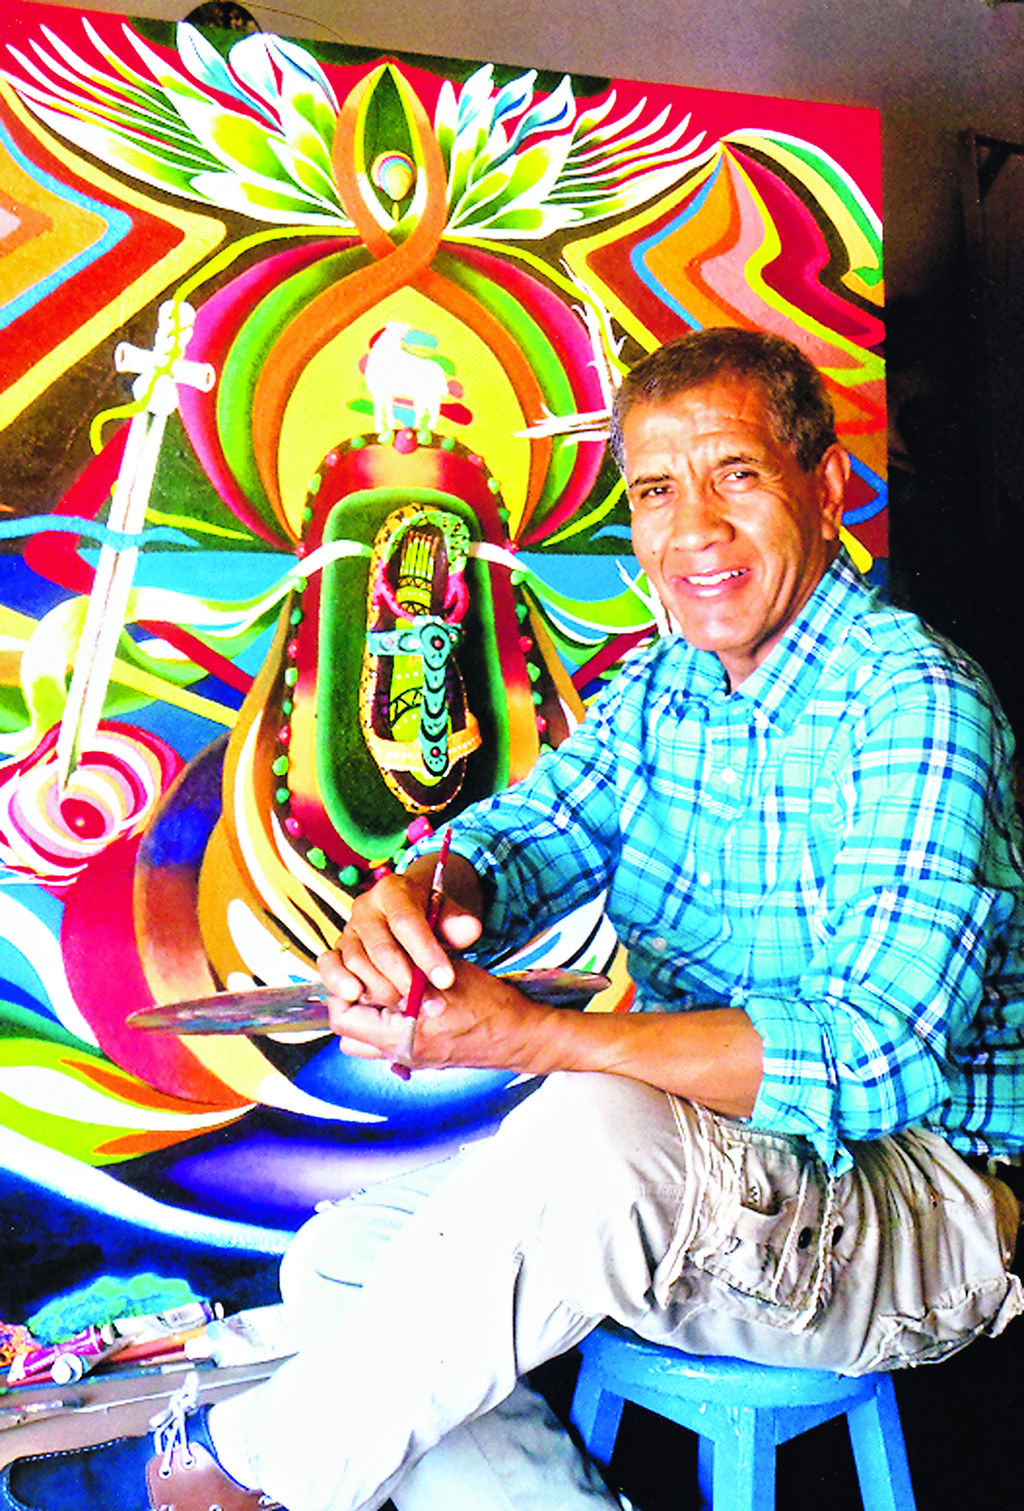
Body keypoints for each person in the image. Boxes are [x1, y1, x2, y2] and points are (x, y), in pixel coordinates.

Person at [5, 326, 1024, 1511]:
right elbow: (527, 836)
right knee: (341, 1259)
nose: (693, 529)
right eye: (656, 491)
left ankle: (234, 1471)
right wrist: (423, 898)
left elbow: (876, 1056)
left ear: (826, 485)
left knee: (587, 1121)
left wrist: (537, 1035)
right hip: (713, 1170)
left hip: (919, 1203)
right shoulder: (664, 689)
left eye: (735, 474)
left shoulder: (913, 698)